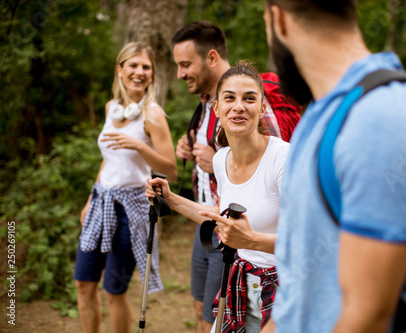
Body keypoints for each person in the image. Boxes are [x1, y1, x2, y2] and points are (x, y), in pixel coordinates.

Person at [260, 1, 406, 333]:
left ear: (278, 21)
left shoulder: (381, 117)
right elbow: (303, 288)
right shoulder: (323, 112)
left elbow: (368, 316)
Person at [146, 61, 289, 333]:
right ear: (217, 109)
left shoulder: (284, 158)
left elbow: (309, 242)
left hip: (284, 292)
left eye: (249, 98)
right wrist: (171, 198)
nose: (239, 106)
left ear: (261, 108)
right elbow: (218, 213)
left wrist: (251, 241)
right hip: (237, 286)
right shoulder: (222, 159)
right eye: (229, 98)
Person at [74, 41, 177, 333]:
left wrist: (137, 145)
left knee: (114, 291)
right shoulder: (112, 108)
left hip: (130, 212)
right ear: (120, 70)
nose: (140, 72)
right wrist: (89, 201)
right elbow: (109, 159)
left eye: (146, 67)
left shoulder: (153, 114)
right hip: (100, 203)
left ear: (152, 75)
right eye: (133, 65)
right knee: (84, 283)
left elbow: (171, 169)